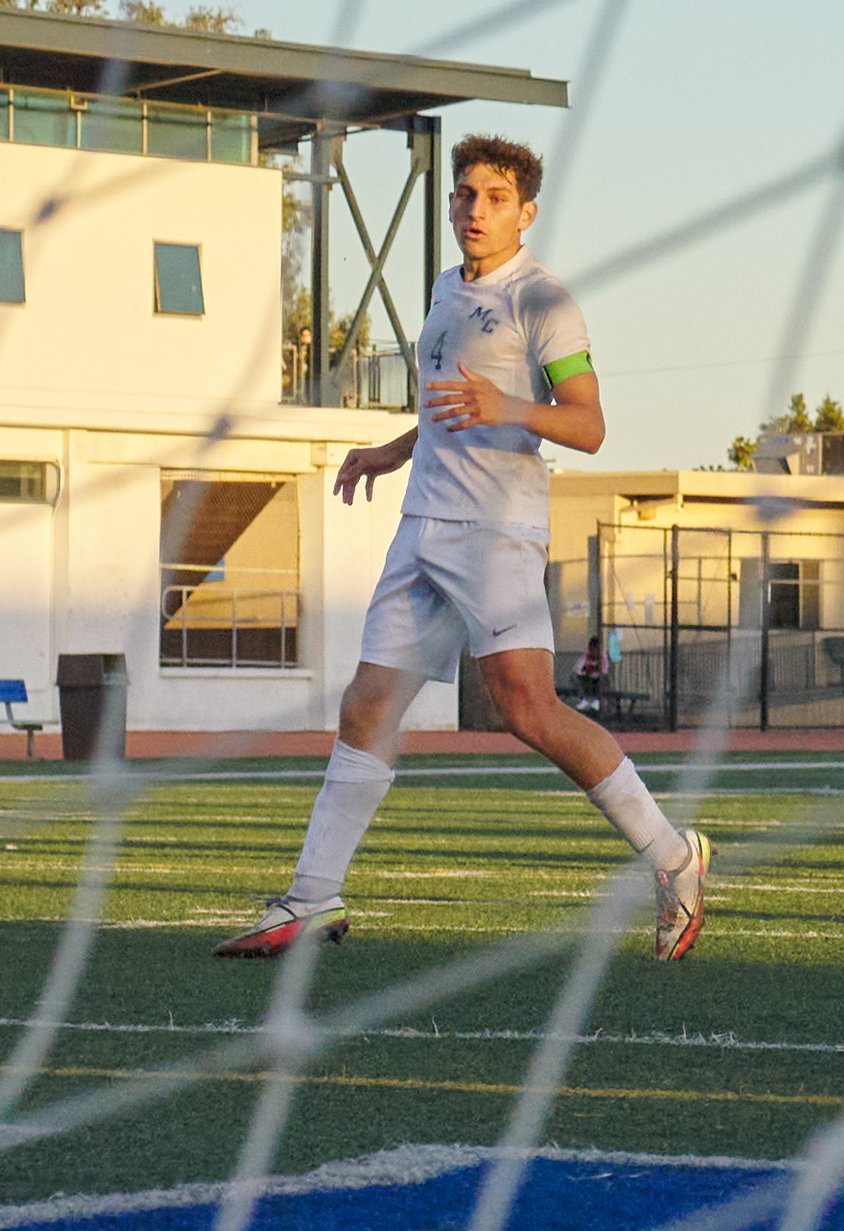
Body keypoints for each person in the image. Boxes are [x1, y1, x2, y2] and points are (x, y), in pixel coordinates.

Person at [215, 133, 710, 963]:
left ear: (527, 212)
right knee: (367, 706)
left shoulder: (545, 301)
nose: (474, 210)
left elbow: (586, 425)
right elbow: (456, 403)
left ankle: (673, 856)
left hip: (495, 532)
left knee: (527, 709)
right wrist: (393, 447)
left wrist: (506, 405)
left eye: (492, 198)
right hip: (423, 528)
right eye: (463, 195)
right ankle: (309, 901)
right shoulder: (447, 288)